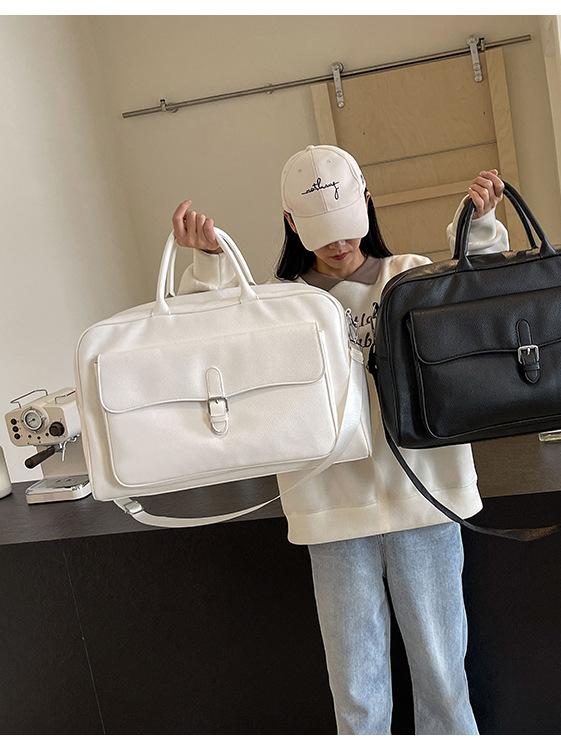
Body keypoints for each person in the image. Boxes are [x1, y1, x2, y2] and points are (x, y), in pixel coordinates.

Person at [172, 145, 508, 735]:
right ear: (291, 223)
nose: (338, 244)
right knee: (356, 691)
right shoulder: (277, 303)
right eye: (321, 231)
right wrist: (208, 263)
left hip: (426, 496)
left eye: (347, 225)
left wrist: (477, 227)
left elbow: (485, 306)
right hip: (330, 508)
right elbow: (206, 341)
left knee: (444, 681)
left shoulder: (410, 275)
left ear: (367, 204)